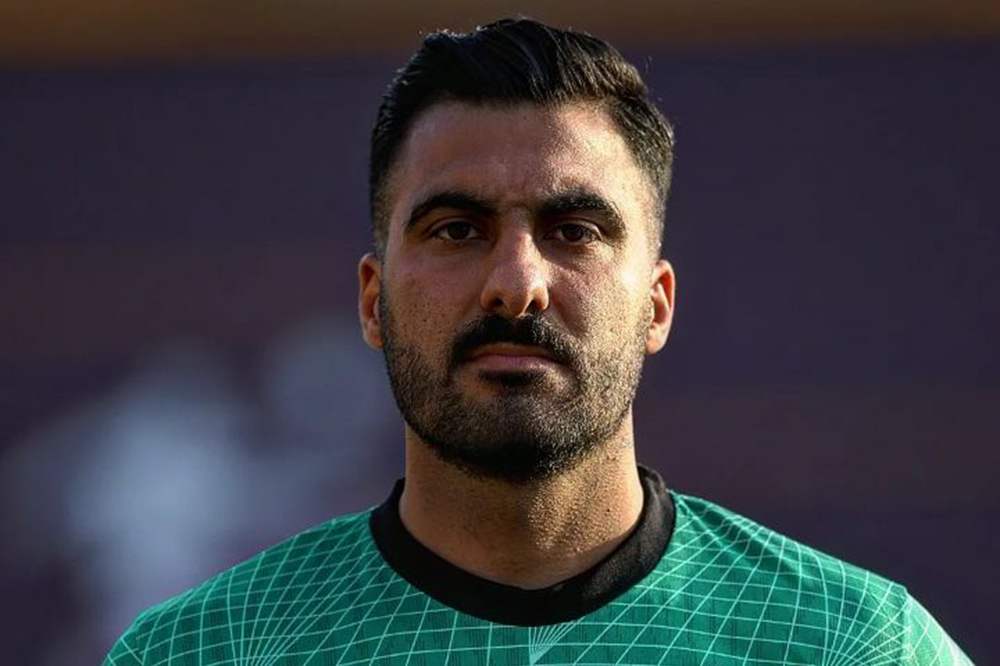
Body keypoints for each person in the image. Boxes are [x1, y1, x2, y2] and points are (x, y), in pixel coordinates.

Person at [104, 18, 974, 666]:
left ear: (658, 305)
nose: (516, 283)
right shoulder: (204, 651)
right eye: (456, 229)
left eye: (574, 231)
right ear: (372, 302)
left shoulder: (852, 646)